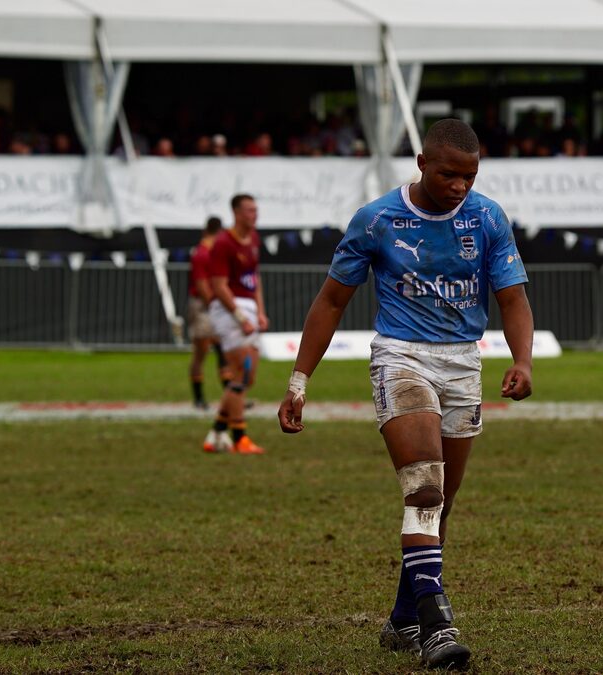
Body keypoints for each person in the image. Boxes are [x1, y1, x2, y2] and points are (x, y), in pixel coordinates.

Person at [277, 119, 533, 670]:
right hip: (402, 357)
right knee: (423, 489)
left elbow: (511, 298)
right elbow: (330, 302)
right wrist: (299, 381)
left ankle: (401, 619)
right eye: (449, 174)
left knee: (442, 507)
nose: (460, 186)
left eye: (470, 176)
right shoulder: (377, 221)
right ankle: (438, 628)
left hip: (464, 363)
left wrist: (522, 359)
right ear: (420, 163)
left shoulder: (487, 217)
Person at [203, 194, 269, 454]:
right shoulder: (223, 243)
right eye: (250, 211)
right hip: (229, 309)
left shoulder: (253, 239)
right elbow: (218, 286)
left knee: (247, 376)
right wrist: (241, 318)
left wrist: (260, 312)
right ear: (236, 213)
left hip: (249, 307)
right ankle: (239, 436)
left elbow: (255, 278)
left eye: (256, 209)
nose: (255, 215)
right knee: (241, 371)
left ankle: (216, 433)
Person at [187, 217, 231, 410]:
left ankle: (232, 397)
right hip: (204, 307)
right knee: (201, 352)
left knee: (224, 351)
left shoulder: (214, 251)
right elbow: (201, 284)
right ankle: (198, 398)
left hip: (215, 305)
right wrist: (214, 306)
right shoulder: (201, 253)